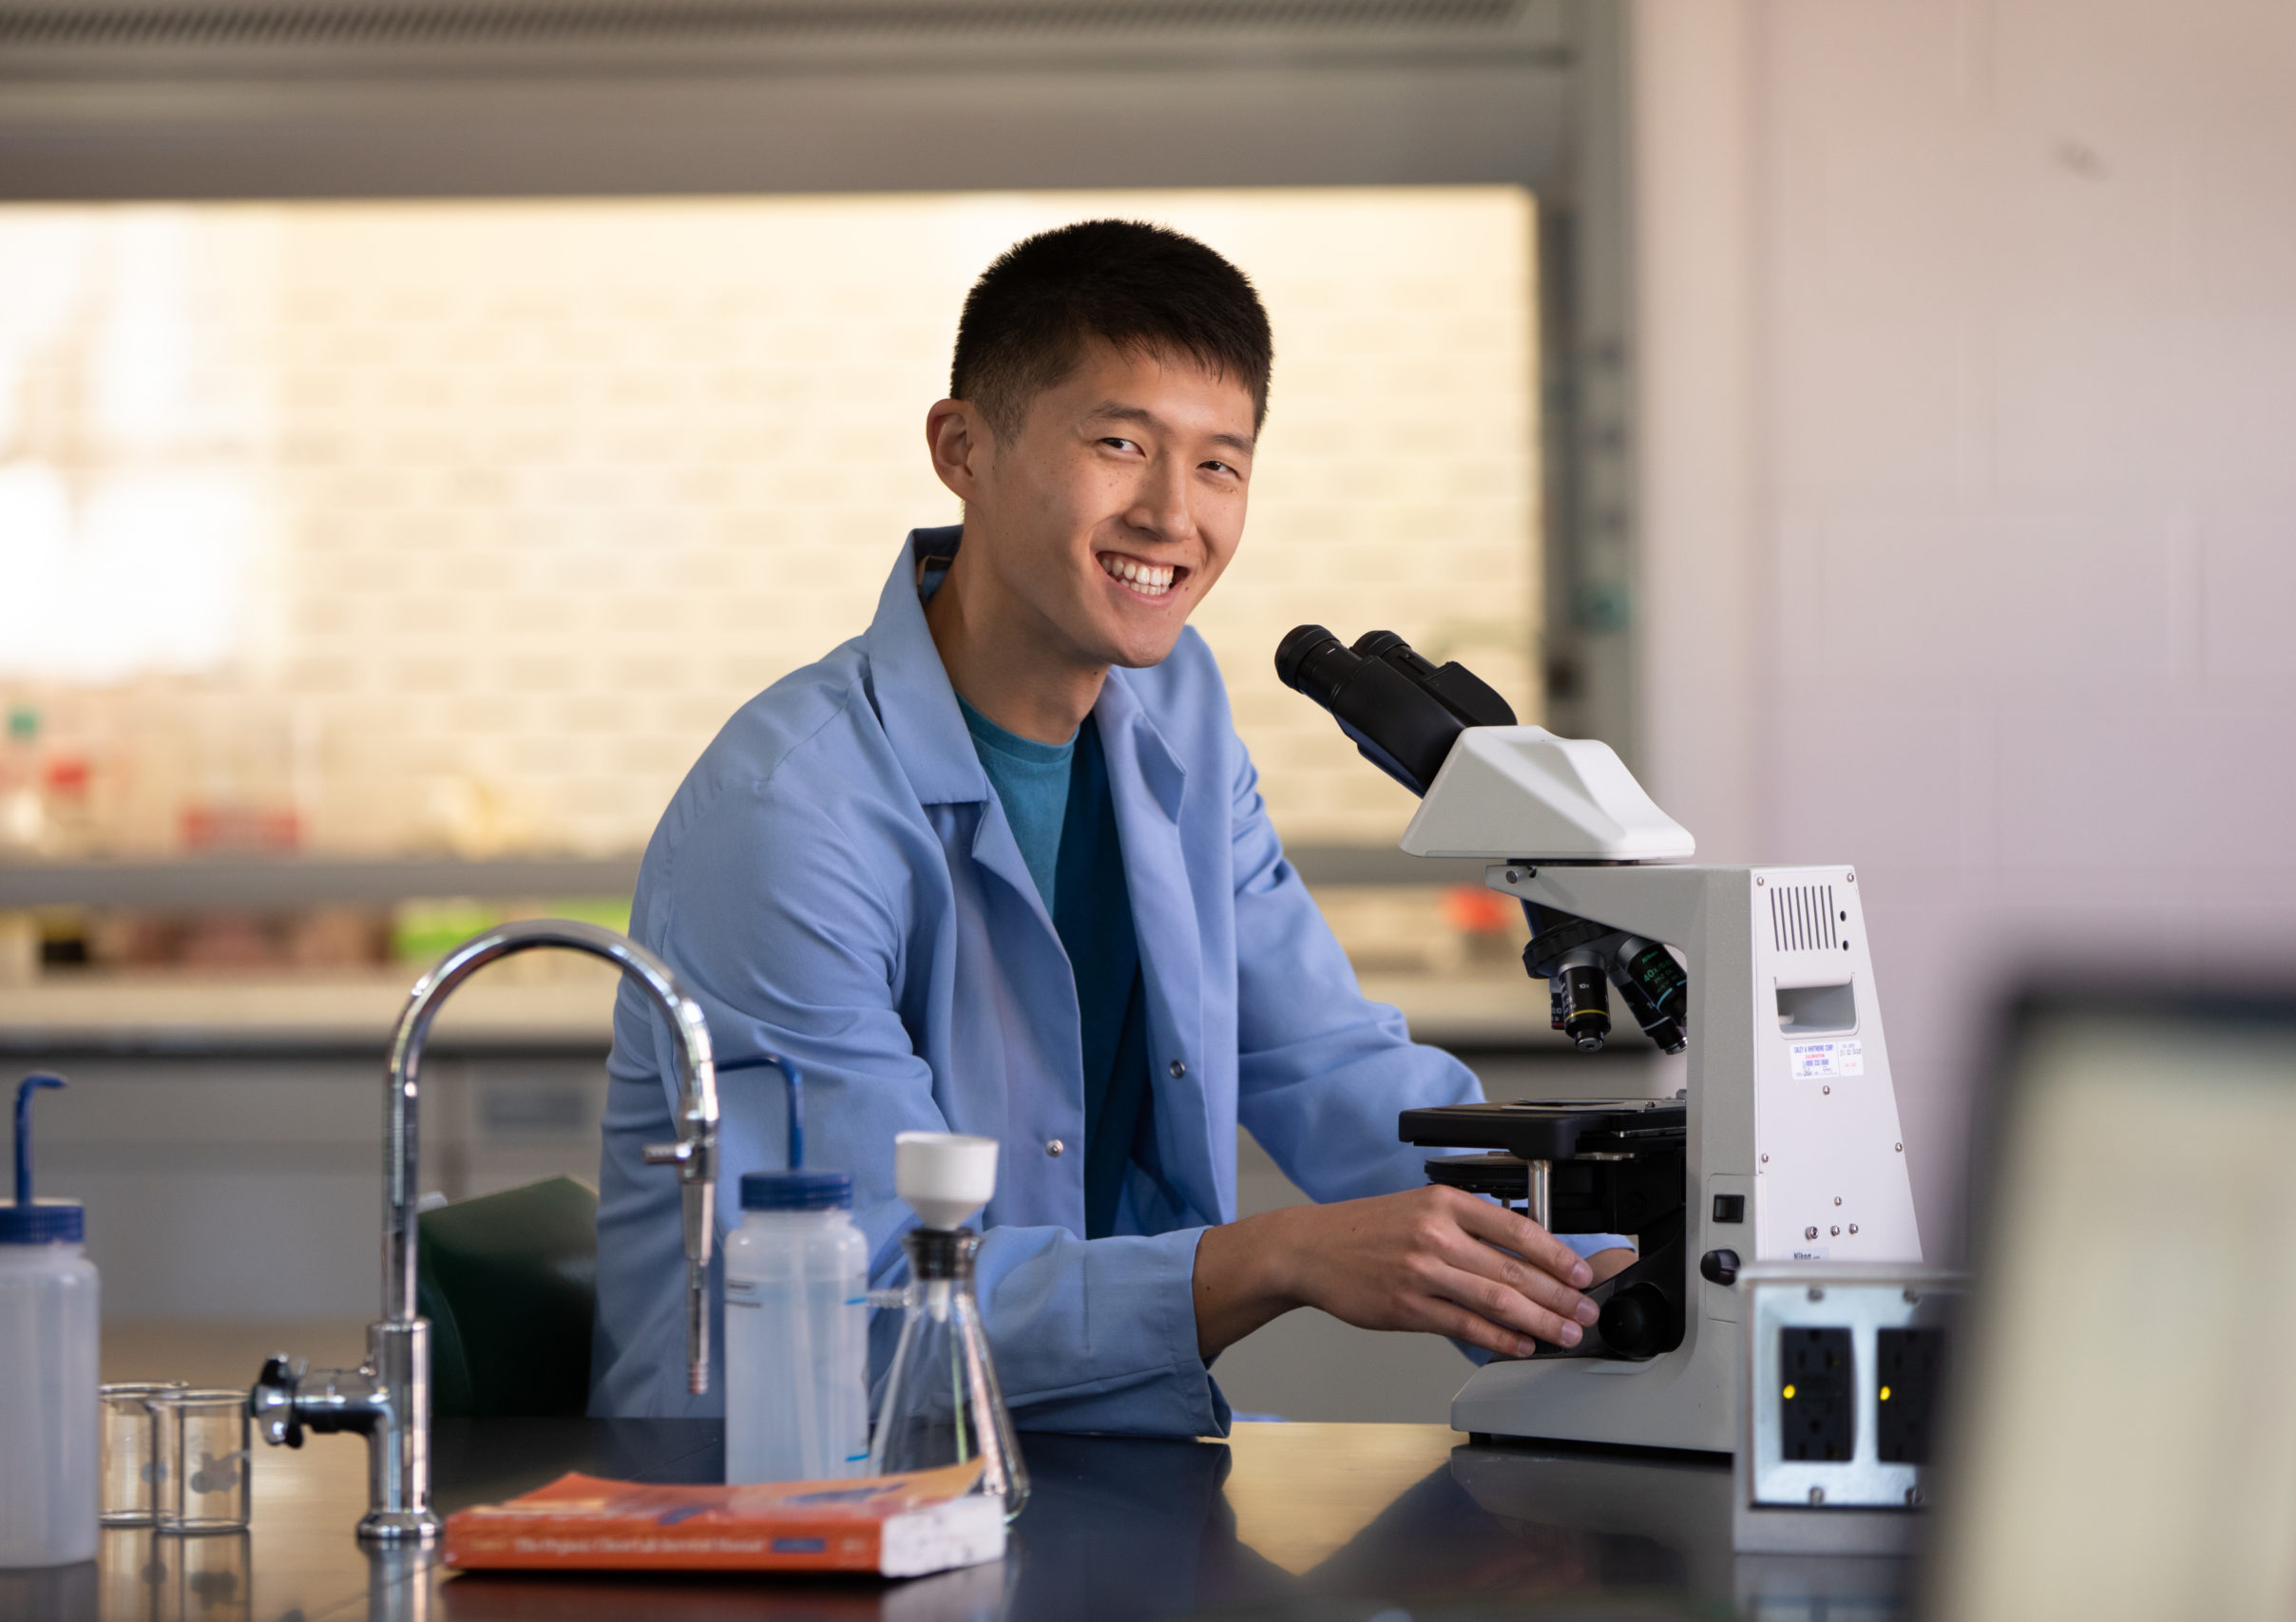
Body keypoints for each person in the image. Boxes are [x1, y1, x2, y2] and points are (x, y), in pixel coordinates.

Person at [590, 219, 1633, 1430]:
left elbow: (1325, 1061)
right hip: (792, 1490)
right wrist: (1276, 1256)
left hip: (1079, 1446)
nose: (1169, 514)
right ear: (961, 448)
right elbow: (862, 1306)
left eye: (1218, 465)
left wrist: (1589, 1263)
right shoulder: (790, 819)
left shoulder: (1174, 711)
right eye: (1119, 443)